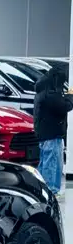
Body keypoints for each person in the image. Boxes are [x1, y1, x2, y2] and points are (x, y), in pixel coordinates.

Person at [34, 64, 73, 196]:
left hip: (45, 133)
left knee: (45, 163)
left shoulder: (43, 90)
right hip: (52, 134)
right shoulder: (51, 93)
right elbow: (64, 106)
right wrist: (70, 95)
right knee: (52, 164)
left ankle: (43, 189)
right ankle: (50, 191)